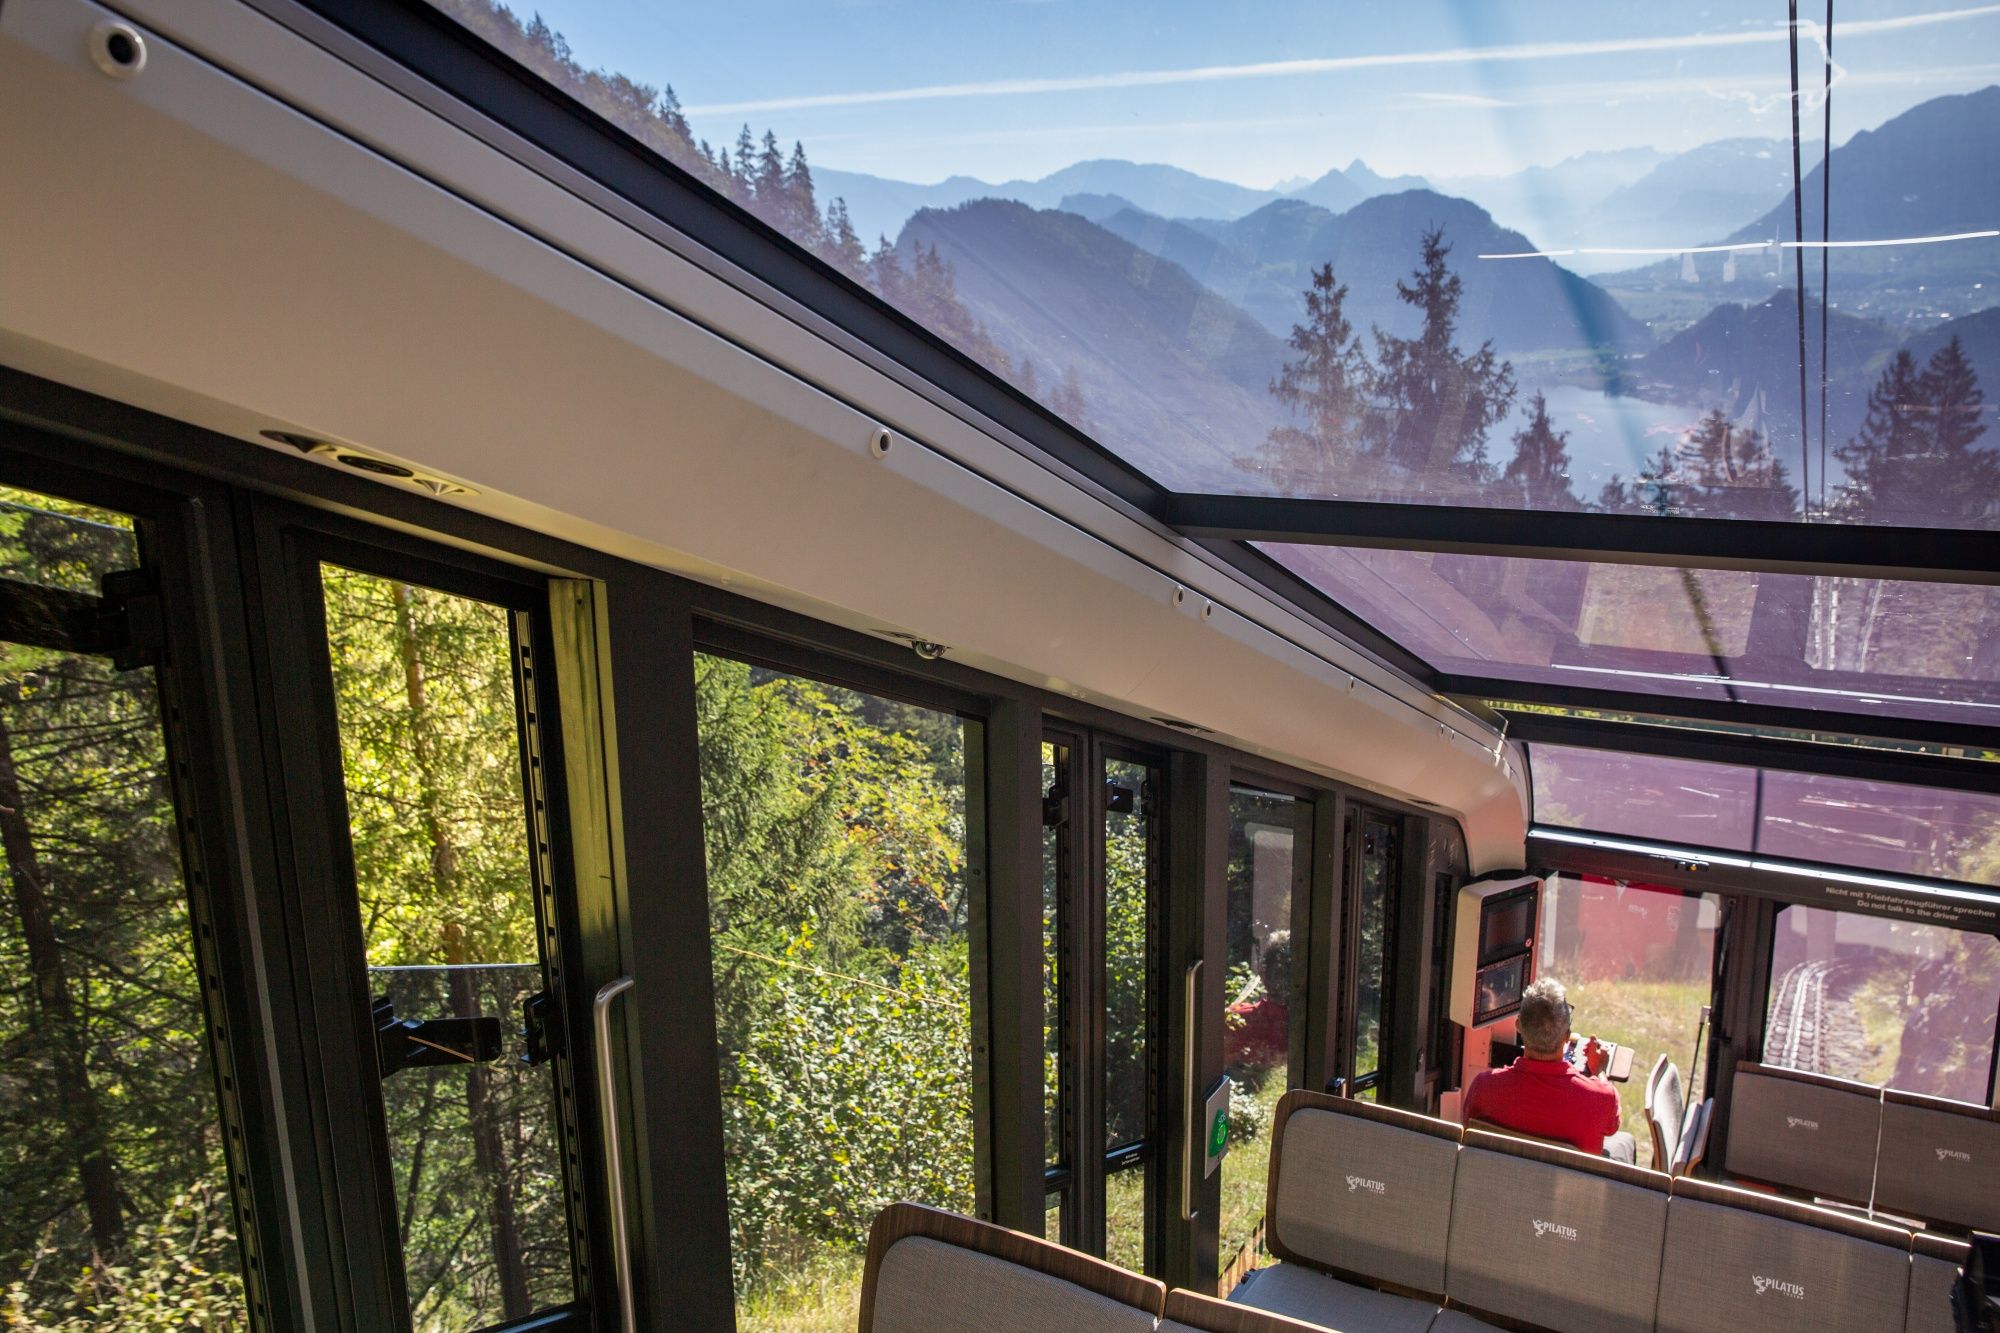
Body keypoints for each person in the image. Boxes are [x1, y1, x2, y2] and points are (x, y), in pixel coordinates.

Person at [1462, 976, 1636, 1163]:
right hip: (1570, 1191)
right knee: (1625, 1142)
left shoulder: (1483, 1088)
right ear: (1567, 1037)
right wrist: (1599, 1070)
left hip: (1501, 1187)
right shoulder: (1601, 1098)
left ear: (1519, 1026)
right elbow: (1611, 1127)